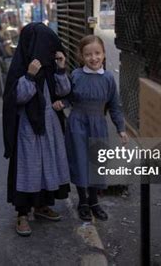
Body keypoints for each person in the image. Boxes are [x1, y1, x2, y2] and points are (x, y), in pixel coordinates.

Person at [2, 23, 71, 236]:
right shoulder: (20, 68)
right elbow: (18, 98)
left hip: (49, 126)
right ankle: (22, 214)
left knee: (47, 166)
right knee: (27, 169)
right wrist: (30, 76)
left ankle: (42, 206)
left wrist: (60, 69)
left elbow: (64, 91)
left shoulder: (51, 68)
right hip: (27, 128)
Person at [53, 35, 129, 221]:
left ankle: (94, 201)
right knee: (80, 162)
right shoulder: (77, 75)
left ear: (103, 54)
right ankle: (83, 202)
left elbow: (114, 105)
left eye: (97, 53)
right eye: (88, 54)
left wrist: (121, 128)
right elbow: (70, 97)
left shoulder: (109, 79)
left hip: (98, 125)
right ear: (81, 56)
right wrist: (62, 103)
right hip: (77, 124)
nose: (93, 58)